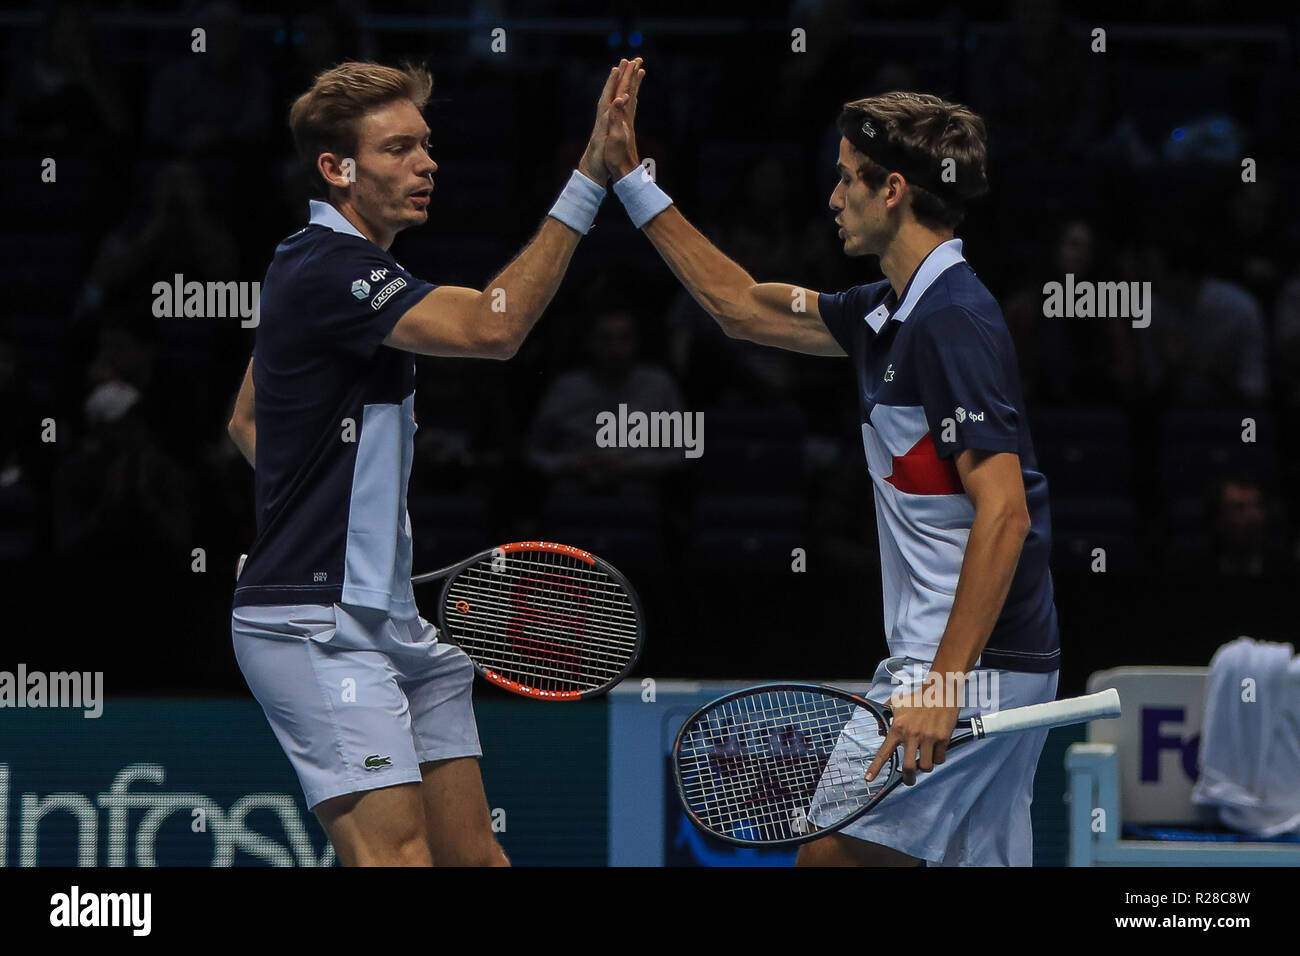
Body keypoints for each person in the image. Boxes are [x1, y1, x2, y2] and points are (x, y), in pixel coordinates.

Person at [604, 69, 1060, 866]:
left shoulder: (952, 321)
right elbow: (741, 305)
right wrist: (633, 184)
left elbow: (1007, 512)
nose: (832, 197)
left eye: (847, 177)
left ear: (893, 190)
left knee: (831, 859)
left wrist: (943, 686)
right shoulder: (887, 312)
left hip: (968, 665)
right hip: (976, 660)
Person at [225, 57, 641, 866]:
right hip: (318, 629)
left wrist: (342, 541)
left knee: (474, 858)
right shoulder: (327, 269)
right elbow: (496, 328)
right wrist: (590, 176)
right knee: (399, 858)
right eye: (399, 149)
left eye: (427, 145)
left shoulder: (318, 270)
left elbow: (249, 420)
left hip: (388, 620)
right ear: (336, 169)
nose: (428, 164)